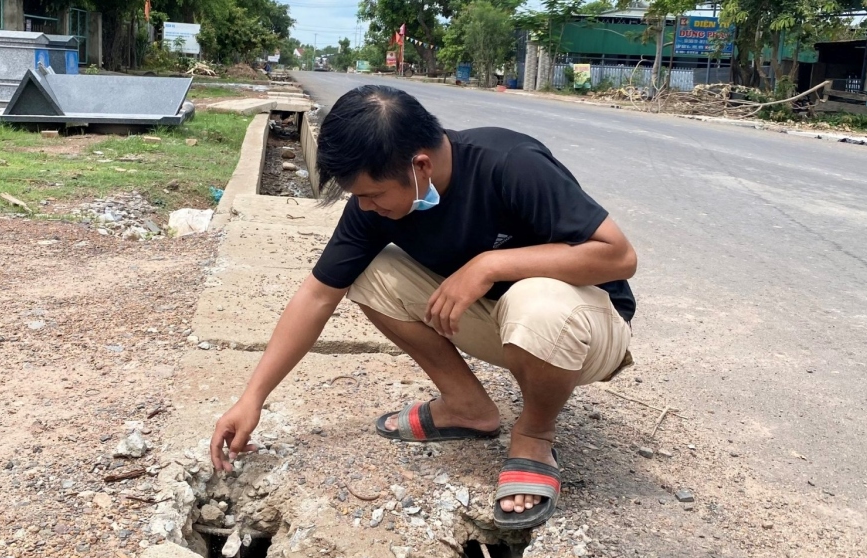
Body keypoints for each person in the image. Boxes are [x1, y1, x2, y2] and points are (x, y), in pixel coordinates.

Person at [210, 85, 637, 530]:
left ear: (420, 167)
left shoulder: (510, 163)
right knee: (370, 273)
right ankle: (467, 406)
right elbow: (318, 295)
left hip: (586, 328)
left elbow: (620, 256)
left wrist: (491, 264)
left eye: (373, 194)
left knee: (537, 302)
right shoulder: (373, 205)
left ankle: (533, 434)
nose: (366, 206)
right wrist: (252, 397)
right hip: (505, 324)